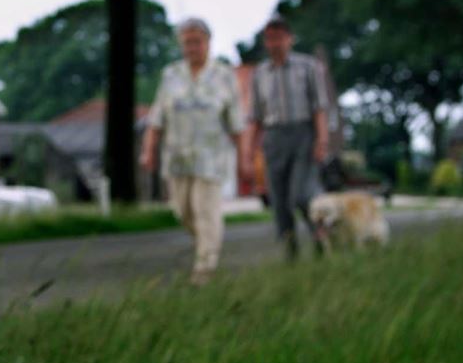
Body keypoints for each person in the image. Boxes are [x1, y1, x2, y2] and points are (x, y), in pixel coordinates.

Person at [139, 18, 246, 285]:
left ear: (208, 43)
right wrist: (148, 150)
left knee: (205, 210)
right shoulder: (171, 74)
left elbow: (237, 123)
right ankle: (207, 246)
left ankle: (205, 268)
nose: (192, 47)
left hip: (211, 157)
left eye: (197, 42)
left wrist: (245, 159)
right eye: (187, 42)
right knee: (183, 212)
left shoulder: (223, 75)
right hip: (176, 157)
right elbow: (156, 118)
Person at [243, 15, 330, 259]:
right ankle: (289, 249)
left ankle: (320, 236)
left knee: (301, 193)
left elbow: (319, 107)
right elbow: (254, 118)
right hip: (274, 138)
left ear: (289, 39)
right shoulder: (260, 74)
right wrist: (249, 154)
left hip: (303, 135)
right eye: (270, 39)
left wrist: (321, 140)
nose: (275, 43)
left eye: (279, 38)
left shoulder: (308, 67)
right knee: (279, 200)